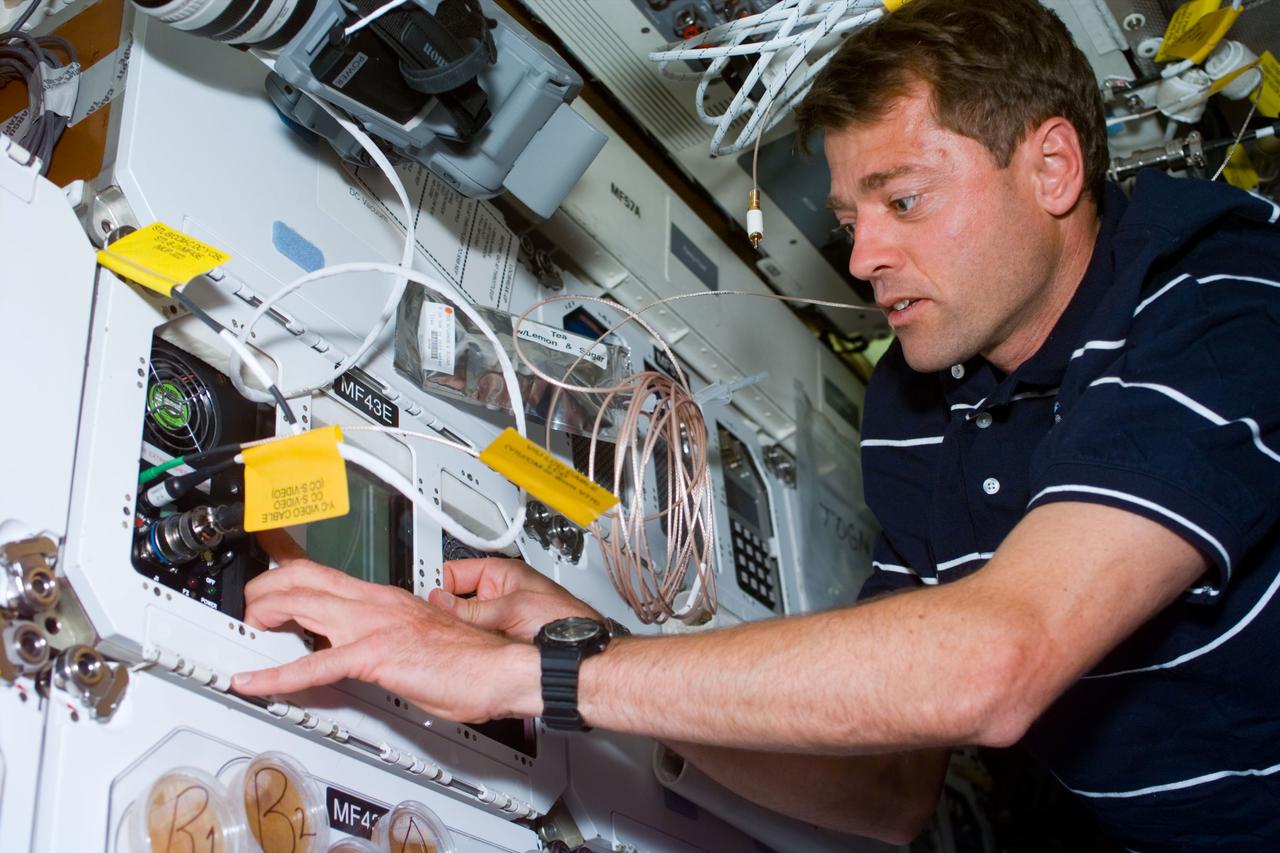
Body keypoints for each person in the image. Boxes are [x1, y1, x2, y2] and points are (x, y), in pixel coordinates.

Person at [231, 0, 1280, 847]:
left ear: (1051, 168)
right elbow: (887, 792)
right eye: (850, 220)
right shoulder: (916, 406)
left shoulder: (1222, 295)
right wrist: (585, 645)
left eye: (903, 201)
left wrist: (520, 677)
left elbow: (994, 664)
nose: (863, 257)